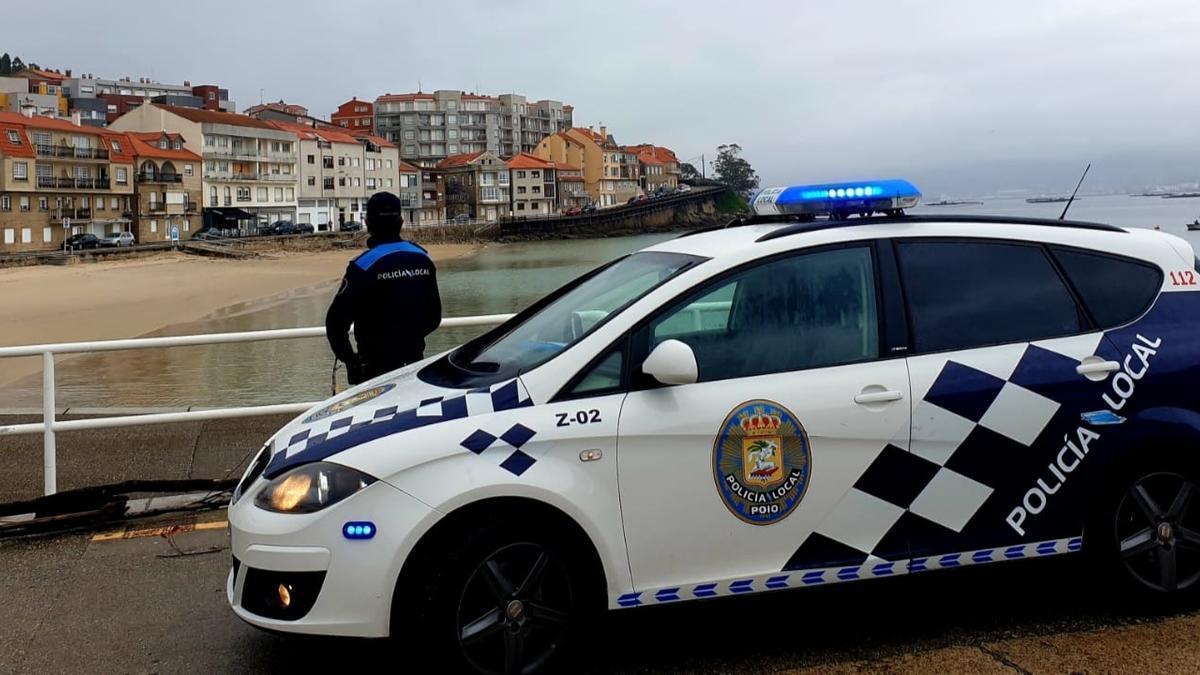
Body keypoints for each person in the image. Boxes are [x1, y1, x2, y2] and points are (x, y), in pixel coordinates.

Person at [326, 192, 441, 385]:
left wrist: (351, 361)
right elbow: (434, 317)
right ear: (401, 222)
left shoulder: (363, 265)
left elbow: (335, 324)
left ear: (367, 223)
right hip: (414, 365)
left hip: (374, 369)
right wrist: (410, 338)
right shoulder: (423, 258)